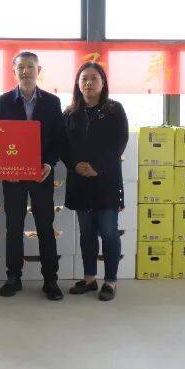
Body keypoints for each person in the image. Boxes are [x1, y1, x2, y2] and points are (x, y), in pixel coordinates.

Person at [0, 52, 64, 300]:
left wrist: (49, 164)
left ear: (38, 70)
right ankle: (13, 277)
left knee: (45, 226)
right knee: (14, 227)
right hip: (13, 177)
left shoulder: (52, 102)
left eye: (30, 67)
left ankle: (51, 280)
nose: (25, 71)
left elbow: (58, 139)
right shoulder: (3, 102)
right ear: (14, 71)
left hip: (41, 175)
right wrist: (6, 169)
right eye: (20, 67)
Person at [60, 61, 129, 301]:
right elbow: (63, 145)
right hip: (80, 181)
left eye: (93, 78)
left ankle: (110, 281)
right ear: (78, 84)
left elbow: (120, 142)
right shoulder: (70, 113)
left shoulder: (114, 110)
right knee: (87, 233)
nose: (88, 83)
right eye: (84, 79)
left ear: (103, 82)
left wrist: (97, 167)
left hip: (106, 181)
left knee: (108, 232)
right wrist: (74, 164)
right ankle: (89, 279)